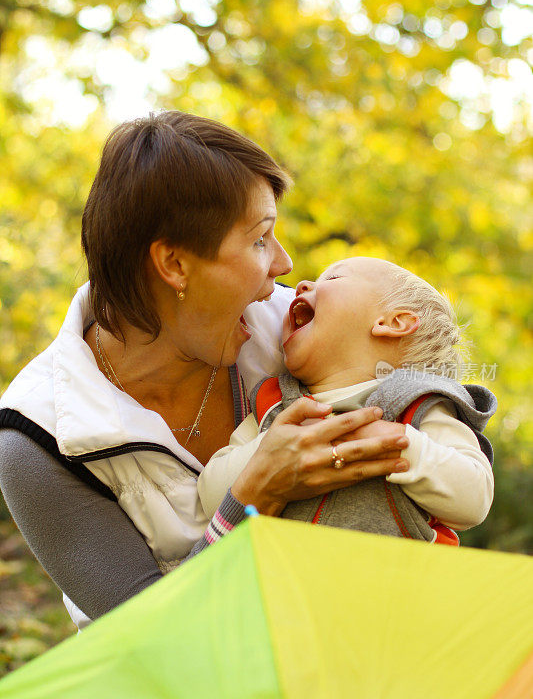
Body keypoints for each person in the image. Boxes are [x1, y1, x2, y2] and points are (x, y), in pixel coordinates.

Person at [0, 112, 410, 630]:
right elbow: (147, 640)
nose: (283, 264)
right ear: (174, 265)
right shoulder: (40, 438)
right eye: (260, 239)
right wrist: (252, 497)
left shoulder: (293, 329)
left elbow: (436, 397)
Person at [198, 257, 496, 542]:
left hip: (387, 587)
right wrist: (273, 449)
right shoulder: (274, 405)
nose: (301, 285)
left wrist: (402, 446)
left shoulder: (417, 406)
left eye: (334, 277)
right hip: (286, 586)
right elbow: (211, 496)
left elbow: (476, 497)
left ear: (394, 322)